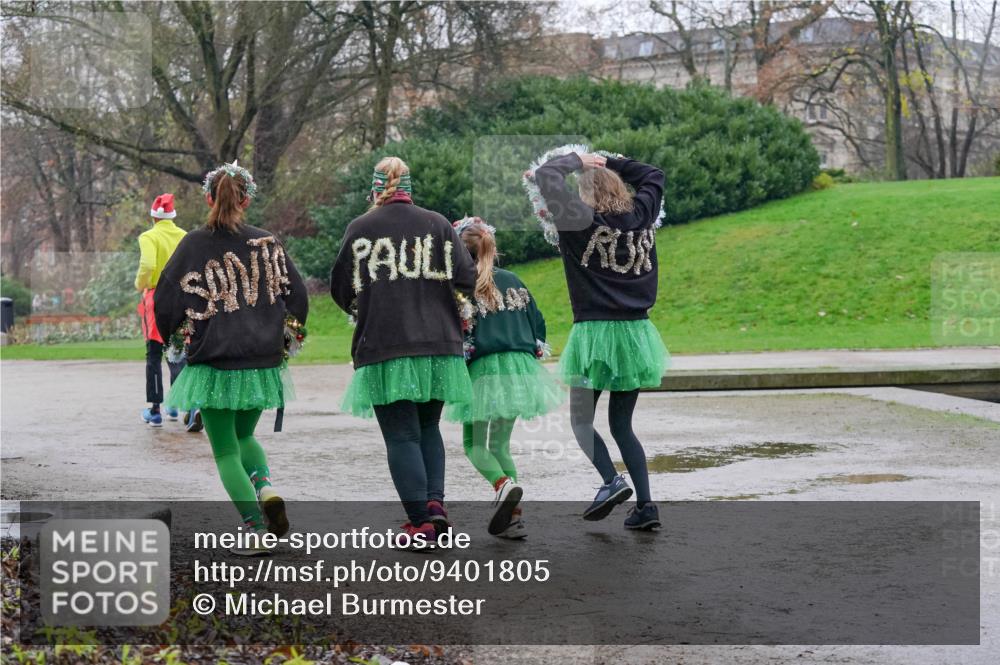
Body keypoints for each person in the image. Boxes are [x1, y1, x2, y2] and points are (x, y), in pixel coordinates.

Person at [154, 161, 309, 555]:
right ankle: (266, 488)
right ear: (247, 200)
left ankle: (256, 528)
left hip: (214, 360)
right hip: (262, 360)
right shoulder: (267, 242)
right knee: (245, 436)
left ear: (209, 198)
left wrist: (176, 337)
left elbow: (166, 297)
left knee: (225, 450)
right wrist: (288, 337)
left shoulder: (193, 244)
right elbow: (298, 294)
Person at [330, 156, 476, 546]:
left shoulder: (360, 228)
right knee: (428, 427)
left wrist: (365, 305)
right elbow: (467, 278)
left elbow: (340, 288)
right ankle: (435, 505)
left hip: (385, 342)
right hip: (438, 344)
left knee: (401, 435)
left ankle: (420, 523)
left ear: (375, 188)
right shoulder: (439, 224)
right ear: (409, 186)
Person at [533, 150, 668, 530]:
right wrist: (613, 161)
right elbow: (654, 175)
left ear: (585, 194)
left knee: (581, 421)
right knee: (622, 425)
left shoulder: (578, 219)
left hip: (594, 333)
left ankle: (611, 481)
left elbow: (546, 175)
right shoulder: (642, 215)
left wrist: (578, 159)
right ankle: (646, 506)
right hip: (637, 334)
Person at [447, 217, 563, 539]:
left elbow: (456, 331)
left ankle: (502, 484)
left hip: (482, 371)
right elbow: (538, 323)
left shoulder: (462, 286)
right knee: (500, 445)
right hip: (519, 370)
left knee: (474, 444)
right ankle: (513, 518)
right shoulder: (514, 279)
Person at [135, 193, 195, 429]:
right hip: (180, 298)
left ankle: (155, 411)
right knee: (177, 351)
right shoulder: (184, 236)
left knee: (153, 354)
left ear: (154, 217)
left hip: (155, 298)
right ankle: (179, 403)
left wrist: (140, 283)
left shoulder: (148, 237)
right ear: (173, 216)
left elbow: (148, 264)